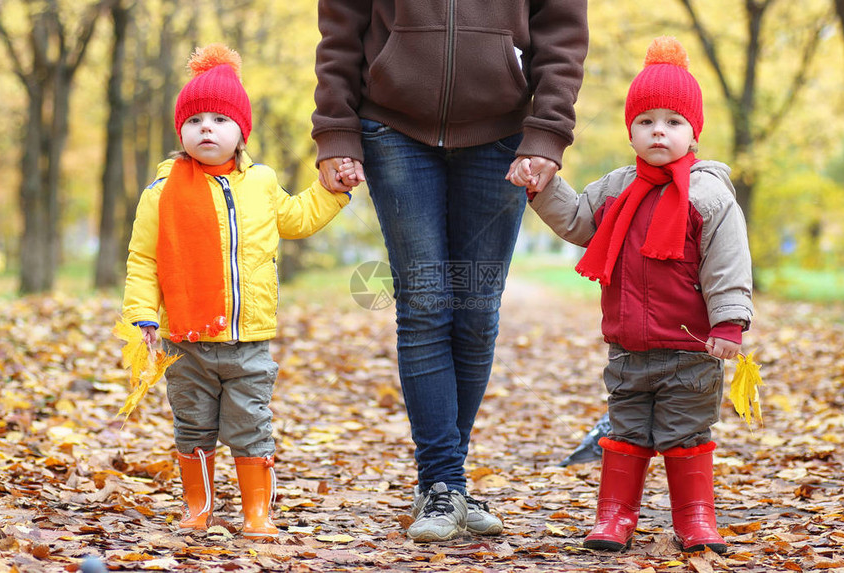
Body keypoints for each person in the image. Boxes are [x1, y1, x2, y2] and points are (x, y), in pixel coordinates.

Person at [313, 1, 589, 542]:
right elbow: (340, 30)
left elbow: (562, 35)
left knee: (477, 311)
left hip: (504, 137)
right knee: (424, 305)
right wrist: (336, 132)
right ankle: (442, 481)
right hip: (393, 127)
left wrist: (547, 134)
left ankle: (445, 488)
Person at [510, 36, 752, 554]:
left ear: (693, 132)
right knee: (626, 431)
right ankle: (615, 516)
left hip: (690, 350)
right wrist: (544, 187)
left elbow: (727, 264)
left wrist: (729, 323)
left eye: (673, 122)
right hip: (629, 347)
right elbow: (578, 222)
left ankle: (695, 517)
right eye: (646, 122)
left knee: (686, 433)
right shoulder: (618, 187)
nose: (659, 131)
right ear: (632, 131)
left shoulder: (709, 195)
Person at [122, 44, 351, 539]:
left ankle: (256, 514)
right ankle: (197, 508)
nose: (207, 127)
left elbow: (297, 219)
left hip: (249, 341)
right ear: (180, 131)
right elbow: (144, 258)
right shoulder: (160, 194)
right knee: (193, 425)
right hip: (186, 341)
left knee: (251, 425)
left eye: (220, 119)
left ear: (241, 132)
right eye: (195, 119)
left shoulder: (263, 184)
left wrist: (334, 191)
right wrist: (143, 313)